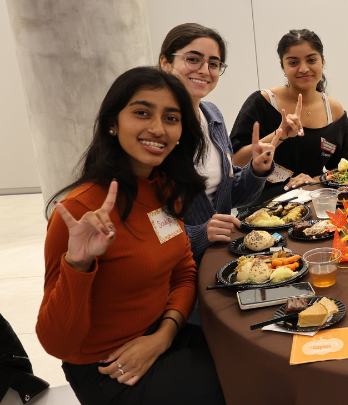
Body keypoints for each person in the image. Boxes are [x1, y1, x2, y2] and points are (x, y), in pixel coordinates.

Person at [38, 67, 225, 405]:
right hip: (109, 366)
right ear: (113, 122)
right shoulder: (81, 210)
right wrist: (78, 265)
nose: (157, 128)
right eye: (142, 113)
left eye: (171, 117)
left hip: (163, 335)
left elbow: (183, 271)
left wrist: (164, 335)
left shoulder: (165, 187)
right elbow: (58, 344)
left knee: (252, 356)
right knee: (241, 382)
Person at [159, 23, 276, 261]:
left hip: (220, 255)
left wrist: (256, 169)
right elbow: (151, 226)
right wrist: (201, 234)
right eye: (193, 59)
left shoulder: (212, 115)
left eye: (214, 64)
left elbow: (228, 194)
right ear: (165, 63)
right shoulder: (155, 130)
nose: (205, 70)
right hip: (180, 269)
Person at [231, 28, 348, 205]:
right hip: (264, 206)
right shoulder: (262, 102)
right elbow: (234, 163)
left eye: (311, 60)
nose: (304, 69)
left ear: (322, 62)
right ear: (283, 67)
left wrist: (316, 180)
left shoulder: (334, 110)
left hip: (316, 202)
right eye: (293, 62)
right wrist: (279, 134)